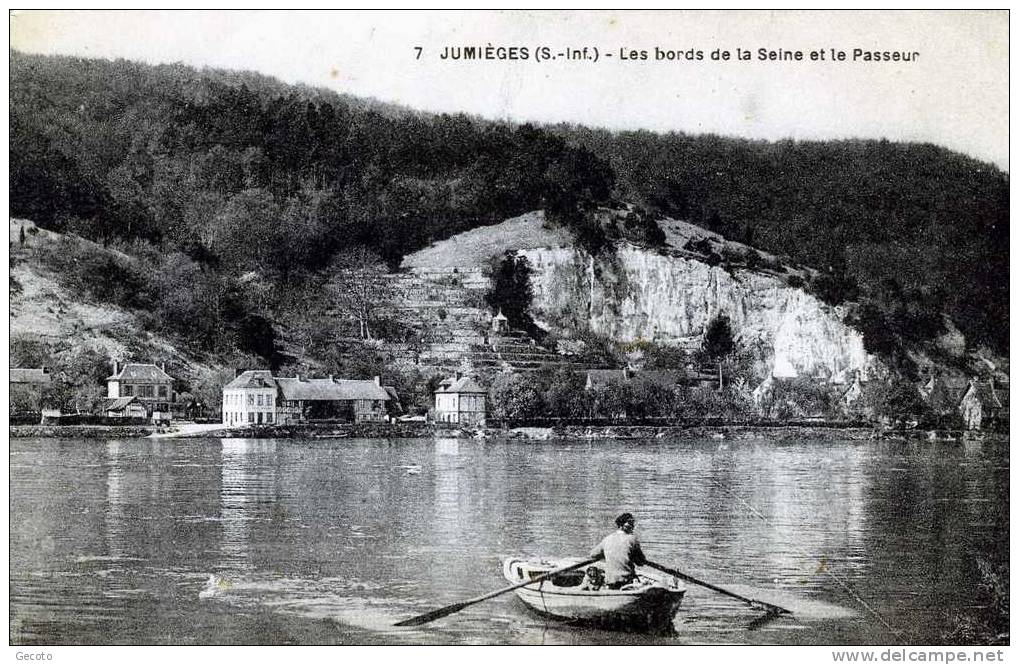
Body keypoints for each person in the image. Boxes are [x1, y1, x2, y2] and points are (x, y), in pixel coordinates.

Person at [589, 512, 647, 589]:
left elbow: (593, 555)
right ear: (621, 525)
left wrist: (606, 554)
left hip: (610, 581)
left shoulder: (607, 539)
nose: (632, 526)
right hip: (626, 580)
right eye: (630, 523)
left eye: (632, 523)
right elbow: (640, 562)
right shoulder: (632, 539)